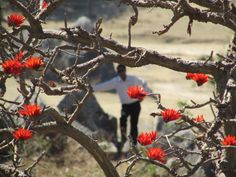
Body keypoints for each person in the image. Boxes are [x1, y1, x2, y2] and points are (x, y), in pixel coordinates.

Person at [92, 64, 151, 155]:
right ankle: (123, 141)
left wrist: (143, 95)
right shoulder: (116, 81)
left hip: (135, 105)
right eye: (119, 71)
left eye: (122, 71)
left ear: (125, 71)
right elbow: (104, 86)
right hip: (125, 106)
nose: (121, 73)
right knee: (122, 121)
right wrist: (90, 88)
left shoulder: (132, 79)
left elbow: (143, 83)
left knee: (133, 124)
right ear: (117, 72)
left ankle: (133, 144)